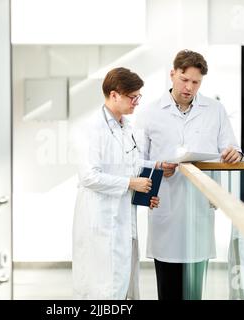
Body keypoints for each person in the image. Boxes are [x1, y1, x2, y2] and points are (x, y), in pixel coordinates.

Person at [136, 50, 244, 300]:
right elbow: (136, 161)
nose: (189, 87)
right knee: (169, 289)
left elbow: (233, 148)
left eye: (195, 82)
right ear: (172, 74)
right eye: (184, 79)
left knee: (195, 292)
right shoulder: (150, 113)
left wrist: (235, 154)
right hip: (166, 210)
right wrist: (159, 165)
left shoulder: (214, 109)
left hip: (198, 210)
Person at [72, 67, 161, 299]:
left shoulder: (125, 127)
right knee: (105, 289)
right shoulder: (92, 128)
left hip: (123, 218)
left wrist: (156, 168)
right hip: (103, 220)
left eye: (138, 97)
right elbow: (89, 176)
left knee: (123, 286)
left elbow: (128, 163)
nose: (137, 102)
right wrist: (132, 183)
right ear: (114, 95)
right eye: (133, 97)